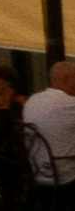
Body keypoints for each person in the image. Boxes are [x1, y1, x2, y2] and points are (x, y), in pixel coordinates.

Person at [27, 57, 75, 188]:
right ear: (68, 79)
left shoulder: (32, 99)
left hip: (38, 170)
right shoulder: (69, 103)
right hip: (65, 174)